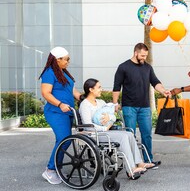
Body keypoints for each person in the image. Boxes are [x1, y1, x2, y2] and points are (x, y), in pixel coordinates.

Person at [79, 78, 156, 179]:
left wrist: (109, 118)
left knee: (129, 134)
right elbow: (88, 125)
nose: (101, 89)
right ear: (91, 89)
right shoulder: (85, 105)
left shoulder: (101, 102)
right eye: (99, 87)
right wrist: (104, 128)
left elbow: (113, 116)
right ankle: (131, 169)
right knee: (122, 138)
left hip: (106, 131)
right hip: (95, 135)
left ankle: (140, 163)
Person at [112, 43, 171, 166]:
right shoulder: (123, 67)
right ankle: (133, 162)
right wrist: (115, 104)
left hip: (144, 107)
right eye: (142, 55)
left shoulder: (148, 68)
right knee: (130, 135)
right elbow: (116, 87)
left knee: (147, 134)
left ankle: (148, 160)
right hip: (129, 107)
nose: (144, 58)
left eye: (146, 56)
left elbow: (155, 82)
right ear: (136, 53)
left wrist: (163, 91)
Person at [39, 47, 81, 185]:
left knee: (66, 140)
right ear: (57, 60)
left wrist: (82, 97)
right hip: (56, 112)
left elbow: (71, 89)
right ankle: (50, 170)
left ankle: (57, 167)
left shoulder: (64, 73)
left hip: (68, 112)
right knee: (64, 139)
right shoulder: (49, 73)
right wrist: (60, 104)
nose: (68, 62)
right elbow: (46, 93)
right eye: (66, 59)